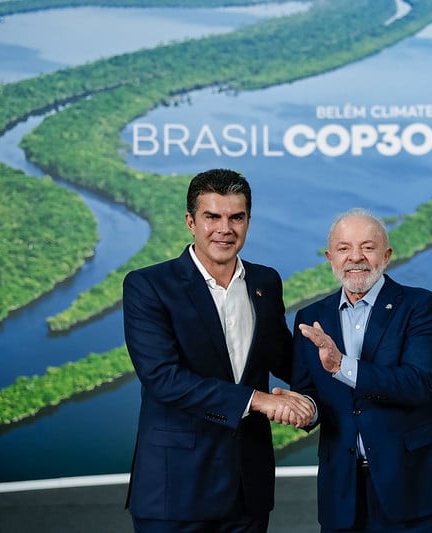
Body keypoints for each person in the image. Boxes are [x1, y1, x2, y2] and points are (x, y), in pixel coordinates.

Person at [122, 168, 314, 532]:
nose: (225, 229)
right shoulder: (148, 286)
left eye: (235, 217)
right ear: (191, 221)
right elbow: (164, 379)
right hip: (174, 489)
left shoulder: (265, 282)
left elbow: (283, 359)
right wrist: (257, 400)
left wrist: (328, 373)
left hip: (247, 488)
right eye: (212, 216)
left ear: (248, 222)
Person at [289, 208, 432, 532]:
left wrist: (342, 365)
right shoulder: (311, 317)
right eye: (344, 248)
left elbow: (416, 383)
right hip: (342, 491)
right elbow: (310, 392)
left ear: (386, 255)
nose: (355, 257)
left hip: (413, 486)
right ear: (330, 257)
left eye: (368, 247)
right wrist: (303, 410)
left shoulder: (419, 305)